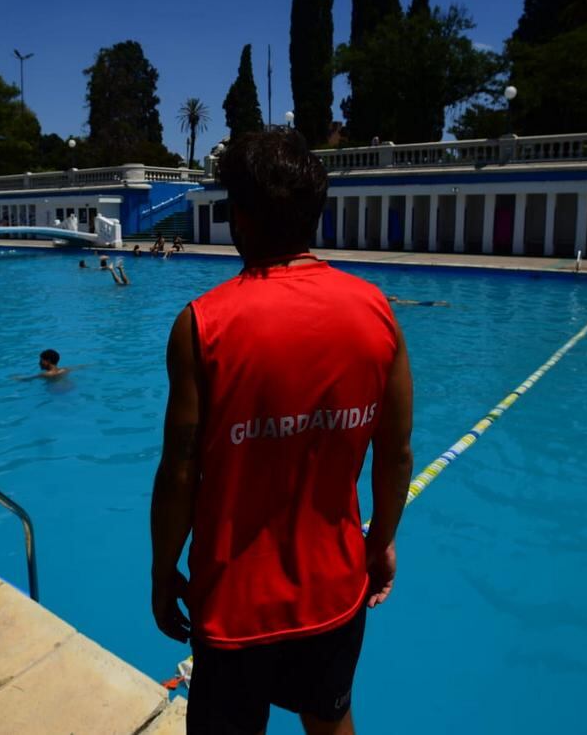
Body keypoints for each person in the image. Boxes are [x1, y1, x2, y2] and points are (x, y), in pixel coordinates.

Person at [149, 130, 413, 734]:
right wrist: (382, 541)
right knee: (330, 719)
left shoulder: (202, 326)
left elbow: (180, 471)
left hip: (234, 601)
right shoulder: (377, 312)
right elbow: (394, 454)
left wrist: (164, 570)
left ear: (239, 216)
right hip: (334, 589)